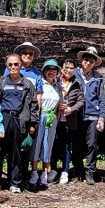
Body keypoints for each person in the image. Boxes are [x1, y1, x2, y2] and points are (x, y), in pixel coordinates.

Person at [0, 54, 38, 193]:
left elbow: (33, 104)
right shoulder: (1, 82)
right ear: (7, 66)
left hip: (19, 120)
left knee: (16, 153)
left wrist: (32, 123)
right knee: (0, 152)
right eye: (10, 65)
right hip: (3, 119)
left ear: (21, 65)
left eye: (16, 64)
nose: (13, 67)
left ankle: (15, 183)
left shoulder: (27, 84)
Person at [29, 60, 62, 190]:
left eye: (54, 70)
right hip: (40, 116)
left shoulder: (58, 86)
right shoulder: (40, 83)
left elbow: (60, 105)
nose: (51, 72)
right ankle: (34, 173)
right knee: (37, 144)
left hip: (52, 118)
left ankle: (44, 173)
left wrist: (57, 120)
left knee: (48, 145)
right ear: (44, 71)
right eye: (48, 69)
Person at [75, 47, 105, 184]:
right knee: (76, 144)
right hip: (76, 115)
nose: (88, 63)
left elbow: (102, 99)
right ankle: (78, 171)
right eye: (86, 59)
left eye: (91, 61)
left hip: (92, 115)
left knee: (92, 145)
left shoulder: (98, 77)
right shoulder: (74, 74)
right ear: (82, 60)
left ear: (94, 63)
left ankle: (90, 172)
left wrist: (101, 118)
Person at [54, 59, 84, 185]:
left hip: (70, 119)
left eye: (71, 68)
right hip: (55, 118)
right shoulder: (55, 81)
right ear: (61, 68)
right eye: (66, 67)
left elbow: (81, 101)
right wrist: (57, 106)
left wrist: (71, 109)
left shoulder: (77, 83)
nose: (68, 70)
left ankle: (65, 170)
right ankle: (52, 168)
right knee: (54, 144)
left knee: (67, 145)